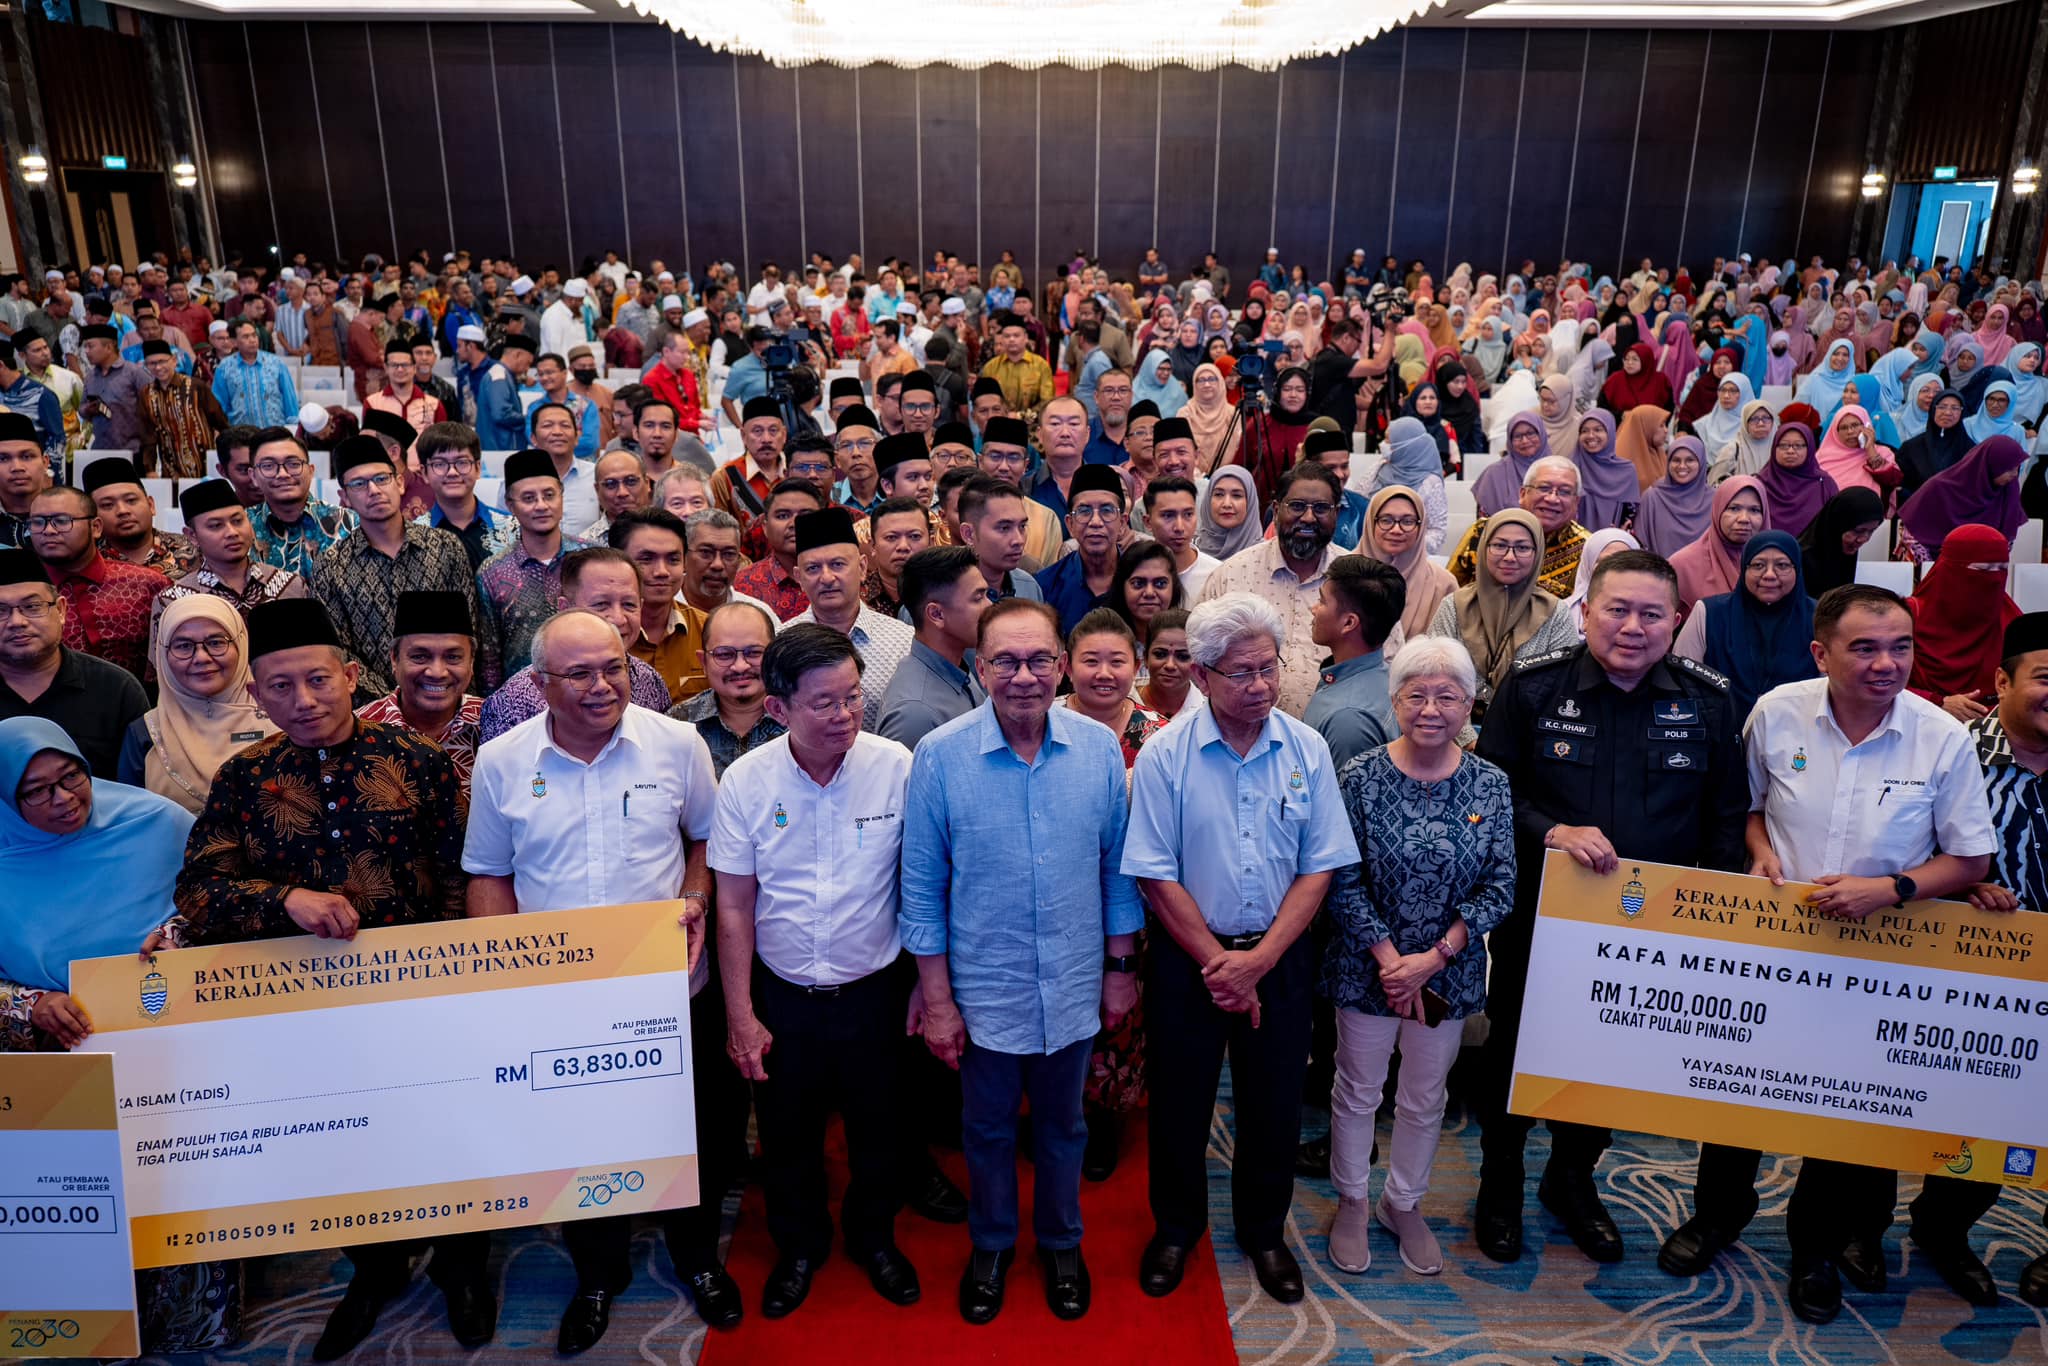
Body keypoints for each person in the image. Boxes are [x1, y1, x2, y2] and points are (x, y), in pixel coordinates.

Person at [167, 597, 488, 1360]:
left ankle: (462, 1265)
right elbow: (199, 892)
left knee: (449, 1136)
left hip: (422, 995)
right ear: (256, 694)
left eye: (317, 680)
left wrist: (462, 984)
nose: (302, 701)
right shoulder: (244, 779)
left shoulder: (418, 762)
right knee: (346, 1146)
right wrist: (286, 900)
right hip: (309, 1007)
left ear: (350, 676)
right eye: (280, 687)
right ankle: (375, 1269)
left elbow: (460, 873)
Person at [1671, 584, 1994, 1324]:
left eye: (1902, 647)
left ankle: (1815, 1250)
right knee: (1738, 1091)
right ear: (1821, 653)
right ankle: (1716, 1216)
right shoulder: (1776, 711)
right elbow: (1747, 807)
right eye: (1866, 647)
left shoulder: (1940, 736)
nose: (1888, 664)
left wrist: (1891, 887)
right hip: (1775, 946)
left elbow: (1971, 859)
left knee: (1842, 1115)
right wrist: (1756, 853)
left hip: (1879, 955)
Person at [462, 607, 741, 1345]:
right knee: (584, 1140)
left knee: (692, 1133)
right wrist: (500, 978)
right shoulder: (502, 761)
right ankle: (598, 1274)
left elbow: (710, 839)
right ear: (540, 682)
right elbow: (489, 873)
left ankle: (697, 1259)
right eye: (579, 673)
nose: (601, 686)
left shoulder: (677, 745)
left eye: (613, 667)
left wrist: (694, 896)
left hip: (669, 985)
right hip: (559, 998)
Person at [1473, 550, 1748, 1266]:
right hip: (1543, 916)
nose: (1632, 626)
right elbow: (1491, 794)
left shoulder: (1709, 701)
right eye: (1617, 609)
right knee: (1514, 1052)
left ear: (1678, 619)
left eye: (1651, 613)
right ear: (1585, 612)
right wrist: (1551, 831)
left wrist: (1707, 921)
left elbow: (1725, 817)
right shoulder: (1532, 691)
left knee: (1606, 1063)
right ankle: (1499, 1182)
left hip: (1652, 932)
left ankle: (1572, 1180)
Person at [901, 597, 1142, 1324]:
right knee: (988, 1128)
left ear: (1062, 665)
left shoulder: (1099, 749)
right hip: (985, 988)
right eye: (1005, 660)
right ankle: (994, 1243)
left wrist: (1121, 971)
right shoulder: (941, 757)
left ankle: (1062, 1242)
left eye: (1040, 659)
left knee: (1066, 1125)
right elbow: (921, 889)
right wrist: (937, 999)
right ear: (980, 668)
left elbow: (1117, 872)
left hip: (1072, 980)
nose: (1024, 675)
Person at [1123, 593, 1358, 1305]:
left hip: (1280, 959)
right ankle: (1176, 1229)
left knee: (1275, 1105)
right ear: (1199, 676)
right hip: (1187, 961)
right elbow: (1155, 873)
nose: (1260, 686)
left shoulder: (1306, 746)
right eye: (1241, 673)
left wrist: (1258, 961)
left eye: (1269, 668)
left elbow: (1320, 867)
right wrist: (1218, 963)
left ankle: (1264, 1231)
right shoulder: (1166, 755)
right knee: (1181, 1105)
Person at [0, 716, 238, 1350]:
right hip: (54, 1057)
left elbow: (218, 902)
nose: (63, 798)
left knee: (174, 1179)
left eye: (71, 776)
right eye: (36, 791)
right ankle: (80, 1328)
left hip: (166, 1036)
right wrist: (29, 1002)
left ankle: (189, 1322)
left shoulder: (153, 823)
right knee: (75, 1201)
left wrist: (180, 935)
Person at [711, 625, 922, 1318]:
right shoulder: (746, 781)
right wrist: (740, 1015)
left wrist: (927, 985)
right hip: (784, 996)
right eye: (824, 704)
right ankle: (799, 1249)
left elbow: (920, 884)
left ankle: (875, 1238)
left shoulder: (896, 766)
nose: (845, 717)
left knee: (881, 1129)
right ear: (778, 710)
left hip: (876, 991)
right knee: (788, 1135)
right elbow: (735, 907)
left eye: (853, 698)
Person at [1322, 637, 1514, 1278]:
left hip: (1448, 975)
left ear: (1468, 704)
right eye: (1416, 694)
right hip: (1365, 967)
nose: (1431, 708)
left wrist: (1433, 958)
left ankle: (1402, 1203)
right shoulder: (1359, 778)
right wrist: (1389, 959)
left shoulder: (1490, 782)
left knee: (1425, 1097)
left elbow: (1501, 885)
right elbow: (1340, 877)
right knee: (1357, 1092)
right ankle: (1351, 1199)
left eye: (1447, 696)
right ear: (1395, 699)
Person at [1943, 611, 2048, 1307]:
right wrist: (1959, 874)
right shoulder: (1949, 755)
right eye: (2045, 678)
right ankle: (1942, 1228)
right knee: (1959, 1119)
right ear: (2002, 680)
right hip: (1960, 971)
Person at [312, 435, 479, 705]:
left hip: (445, 698)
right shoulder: (331, 565)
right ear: (344, 498)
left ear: (399, 482)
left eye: (381, 479)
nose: (374, 490)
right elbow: (338, 650)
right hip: (371, 712)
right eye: (359, 484)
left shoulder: (444, 547)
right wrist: (393, 701)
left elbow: (469, 633)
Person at [476, 547, 675, 741]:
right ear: (565, 608)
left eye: (629, 605)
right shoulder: (513, 701)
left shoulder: (650, 681)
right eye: (601, 604)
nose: (618, 618)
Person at [1196, 461, 1347, 717]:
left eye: (1321, 508)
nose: (1309, 517)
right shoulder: (1231, 576)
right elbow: (1198, 659)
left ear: (1336, 513)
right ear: (1276, 509)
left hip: (1335, 739)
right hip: (1239, 734)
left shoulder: (1356, 581)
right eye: (1297, 506)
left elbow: (1384, 666)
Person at [119, 593, 276, 809]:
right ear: (163, 654)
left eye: (216, 642)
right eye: (183, 646)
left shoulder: (281, 719)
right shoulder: (146, 734)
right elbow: (134, 821)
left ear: (241, 644)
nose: (201, 657)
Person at [475, 447, 592, 691]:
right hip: (521, 703)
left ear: (561, 495)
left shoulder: (591, 559)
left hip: (589, 691)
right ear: (510, 505)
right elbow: (489, 661)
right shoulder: (493, 573)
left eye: (549, 495)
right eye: (528, 498)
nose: (541, 505)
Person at [28, 484, 171, 683]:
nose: (49, 530)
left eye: (62, 521)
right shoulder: (20, 594)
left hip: (138, 706)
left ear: (95, 527)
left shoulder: (147, 584)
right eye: (38, 522)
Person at [787, 507, 914, 729]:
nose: (826, 578)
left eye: (838, 564)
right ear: (799, 577)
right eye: (813, 568)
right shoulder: (782, 643)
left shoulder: (903, 641)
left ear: (862, 567)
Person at [1671, 529, 1819, 719]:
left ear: (1797, 570)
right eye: (1758, 565)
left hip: (1794, 735)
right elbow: (1683, 679)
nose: (1769, 575)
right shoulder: (1709, 613)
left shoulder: (1818, 617)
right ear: (1744, 569)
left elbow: (1829, 686)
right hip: (1718, 733)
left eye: (1782, 565)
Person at [353, 590, 482, 803]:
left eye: (453, 657)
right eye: (420, 657)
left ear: (471, 661)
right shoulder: (359, 731)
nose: (437, 672)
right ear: (394, 659)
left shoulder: (496, 723)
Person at [1429, 509, 1557, 718]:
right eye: (1499, 545)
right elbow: (1434, 676)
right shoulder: (1453, 605)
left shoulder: (1554, 612)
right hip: (1451, 729)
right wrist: (1467, 739)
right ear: (1483, 548)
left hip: (1526, 734)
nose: (1509, 557)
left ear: (1538, 552)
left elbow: (1557, 687)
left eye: (1522, 548)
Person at [876, 546, 987, 747]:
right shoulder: (914, 714)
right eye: (978, 598)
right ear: (936, 614)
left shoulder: (956, 665)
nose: (989, 607)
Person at [1907, 523, 2020, 719]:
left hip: (1996, 727)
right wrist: (1936, 702)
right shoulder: (1908, 616)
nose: (1994, 578)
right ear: (1951, 569)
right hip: (1920, 721)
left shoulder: (2010, 618)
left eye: (2001, 568)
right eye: (1983, 569)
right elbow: (1877, 683)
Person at [1305, 554, 1404, 769]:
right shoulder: (1386, 677)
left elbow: (1342, 800)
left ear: (1349, 623)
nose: (1313, 609)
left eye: (1322, 601)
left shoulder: (1348, 719)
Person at [1446, 456, 1590, 598]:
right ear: (1522, 493)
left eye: (1564, 491)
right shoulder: (1483, 532)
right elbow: (1449, 591)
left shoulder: (1587, 549)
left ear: (1576, 501)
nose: (1552, 498)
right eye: (1544, 488)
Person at [670, 600, 786, 774]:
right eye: (724, 655)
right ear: (703, 662)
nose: (740, 666)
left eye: (754, 652)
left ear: (774, 655)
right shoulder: (677, 726)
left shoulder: (800, 719)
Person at [1895, 433, 2026, 562]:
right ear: (1991, 466)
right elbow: (1911, 534)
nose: (2015, 475)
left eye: (2017, 468)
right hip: (1932, 566)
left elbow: (2006, 540)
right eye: (2009, 469)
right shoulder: (1940, 487)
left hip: (1982, 569)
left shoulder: (2008, 489)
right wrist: (1930, 570)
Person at [248, 428, 355, 579]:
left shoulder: (349, 523)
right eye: (268, 466)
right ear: (253, 476)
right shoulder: (241, 529)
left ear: (311, 471)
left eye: (293, 464)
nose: (283, 474)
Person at [1061, 608, 1166, 762]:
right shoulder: (1041, 723)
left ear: (1135, 669)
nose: (1104, 674)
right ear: (1068, 668)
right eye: (1091, 661)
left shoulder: (1161, 737)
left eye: (1116, 662)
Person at [1037, 464, 1130, 634]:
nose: (1095, 522)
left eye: (1107, 511)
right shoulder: (1045, 585)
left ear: (1123, 523)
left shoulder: (1140, 582)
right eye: (1084, 511)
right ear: (1070, 524)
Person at [1365, 485, 1456, 655]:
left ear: (1421, 527)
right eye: (1386, 520)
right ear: (1371, 522)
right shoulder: (1343, 575)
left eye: (1407, 522)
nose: (1396, 530)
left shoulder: (1443, 584)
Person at [731, 478, 823, 621]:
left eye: (806, 515)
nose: (794, 524)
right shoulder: (742, 585)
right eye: (782, 516)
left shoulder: (844, 577)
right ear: (765, 528)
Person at [1631, 435, 1713, 559]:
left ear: (1701, 462)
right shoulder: (1652, 498)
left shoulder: (1715, 499)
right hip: (1660, 575)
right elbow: (1640, 544)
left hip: (1704, 576)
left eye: (1690, 460)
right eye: (1676, 460)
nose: (1682, 466)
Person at [1796, 486, 1886, 596]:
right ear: (1838, 525)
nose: (1864, 539)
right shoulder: (1801, 560)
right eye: (1858, 531)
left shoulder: (1843, 548)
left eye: (1872, 531)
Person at [1137, 608, 1192, 719]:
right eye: (1160, 654)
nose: (1170, 665)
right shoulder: (1121, 702)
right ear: (1145, 657)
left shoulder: (1209, 711)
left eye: (1182, 657)